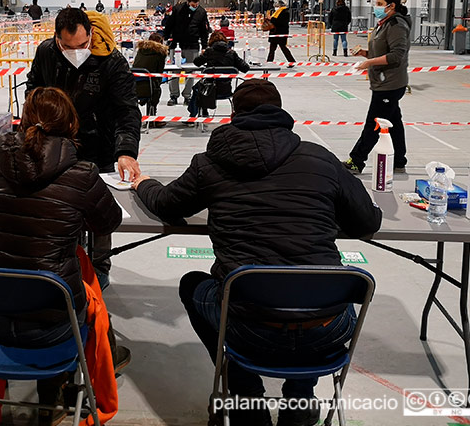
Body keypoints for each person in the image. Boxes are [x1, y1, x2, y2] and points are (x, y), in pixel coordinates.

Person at [131, 79, 382, 426]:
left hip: (248, 325)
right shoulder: (319, 158)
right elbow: (367, 220)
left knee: (193, 285)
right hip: (326, 326)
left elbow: (166, 204)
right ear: (281, 114)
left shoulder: (209, 164)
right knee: (307, 292)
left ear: (233, 114)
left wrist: (143, 182)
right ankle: (301, 400)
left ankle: (246, 397)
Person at [0, 86, 128, 425]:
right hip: (54, 323)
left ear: (23, 120)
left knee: (44, 292)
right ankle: (55, 394)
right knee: (84, 291)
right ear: (72, 125)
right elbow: (109, 222)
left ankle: (45, 395)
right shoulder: (81, 173)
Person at [26, 8, 141, 287]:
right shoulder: (46, 53)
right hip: (55, 148)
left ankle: (99, 267)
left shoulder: (111, 60)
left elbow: (126, 110)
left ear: (90, 34)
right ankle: (68, 261)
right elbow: (33, 92)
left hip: (98, 147)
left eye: (82, 44)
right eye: (67, 46)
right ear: (57, 38)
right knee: (62, 210)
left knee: (99, 211)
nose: (76, 51)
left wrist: (125, 151)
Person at [342, 0, 411, 175]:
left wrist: (369, 62)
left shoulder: (397, 25)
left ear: (392, 5)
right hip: (382, 82)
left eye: (380, 4)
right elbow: (382, 50)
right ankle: (399, 160)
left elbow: (396, 55)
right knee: (394, 121)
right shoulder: (384, 23)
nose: (376, 7)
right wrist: (365, 53)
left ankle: (356, 161)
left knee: (374, 123)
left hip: (390, 84)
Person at [162, 0, 210, 106]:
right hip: (176, 45)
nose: (195, 7)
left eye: (197, 4)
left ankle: (187, 96)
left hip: (193, 46)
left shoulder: (201, 12)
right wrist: (165, 38)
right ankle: (173, 96)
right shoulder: (178, 9)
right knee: (174, 71)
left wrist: (204, 46)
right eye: (193, 5)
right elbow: (170, 24)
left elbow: (204, 31)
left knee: (190, 72)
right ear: (188, 2)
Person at [193, 31, 249, 101]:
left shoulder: (209, 52)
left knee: (196, 88)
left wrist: (202, 54)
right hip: (226, 90)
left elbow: (196, 62)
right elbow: (246, 68)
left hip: (209, 90)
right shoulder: (232, 53)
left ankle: (198, 111)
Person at [132, 33, 169, 111]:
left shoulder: (141, 50)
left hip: (134, 85)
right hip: (149, 87)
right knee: (157, 89)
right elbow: (159, 73)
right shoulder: (160, 52)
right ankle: (152, 117)